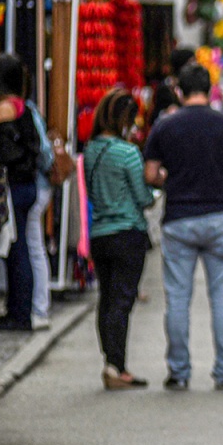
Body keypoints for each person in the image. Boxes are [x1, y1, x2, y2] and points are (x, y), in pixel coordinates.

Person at [144, 64, 223, 391]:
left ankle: (178, 371)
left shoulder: (165, 126)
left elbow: (150, 174)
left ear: (179, 90)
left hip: (179, 217)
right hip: (220, 215)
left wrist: (171, 177)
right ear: (209, 89)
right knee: (222, 297)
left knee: (177, 298)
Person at [84, 88, 153, 390]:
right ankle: (117, 366)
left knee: (107, 298)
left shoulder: (90, 151)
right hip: (128, 233)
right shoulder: (128, 153)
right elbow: (143, 197)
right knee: (122, 301)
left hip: (99, 234)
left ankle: (109, 360)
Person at [0, 54, 42, 331]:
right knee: (21, 249)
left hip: (14, 187)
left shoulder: (5, 109)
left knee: (17, 251)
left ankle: (19, 313)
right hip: (25, 186)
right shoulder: (22, 107)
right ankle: (18, 309)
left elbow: (0, 151)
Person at [26, 94, 54, 331]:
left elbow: (46, 154)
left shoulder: (29, 111)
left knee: (34, 247)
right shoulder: (29, 110)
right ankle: (38, 305)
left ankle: (39, 306)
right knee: (34, 246)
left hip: (37, 186)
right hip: (38, 186)